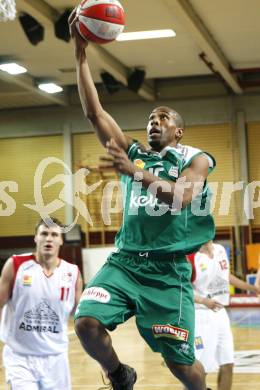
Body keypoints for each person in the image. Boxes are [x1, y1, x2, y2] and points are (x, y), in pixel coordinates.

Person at [69, 9, 216, 390]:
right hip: (126, 262)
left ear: (179, 131)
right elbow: (94, 112)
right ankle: (120, 374)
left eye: (163, 117)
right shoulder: (134, 153)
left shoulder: (195, 158)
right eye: (151, 117)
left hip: (169, 274)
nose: (154, 121)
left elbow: (181, 197)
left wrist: (135, 172)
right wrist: (80, 52)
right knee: (86, 322)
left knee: (180, 364)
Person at [0, 218, 83, 390]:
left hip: (56, 358)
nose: (49, 238)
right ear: (36, 238)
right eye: (44, 233)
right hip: (20, 356)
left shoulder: (72, 273)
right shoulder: (16, 265)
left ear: (61, 240)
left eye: (54, 234)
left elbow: (81, 316)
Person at [188, 240, 260, 390]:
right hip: (201, 315)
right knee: (201, 370)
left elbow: (226, 276)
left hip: (221, 313)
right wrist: (203, 300)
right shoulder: (191, 255)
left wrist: (252, 288)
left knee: (227, 363)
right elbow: (181, 288)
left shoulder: (220, 249)